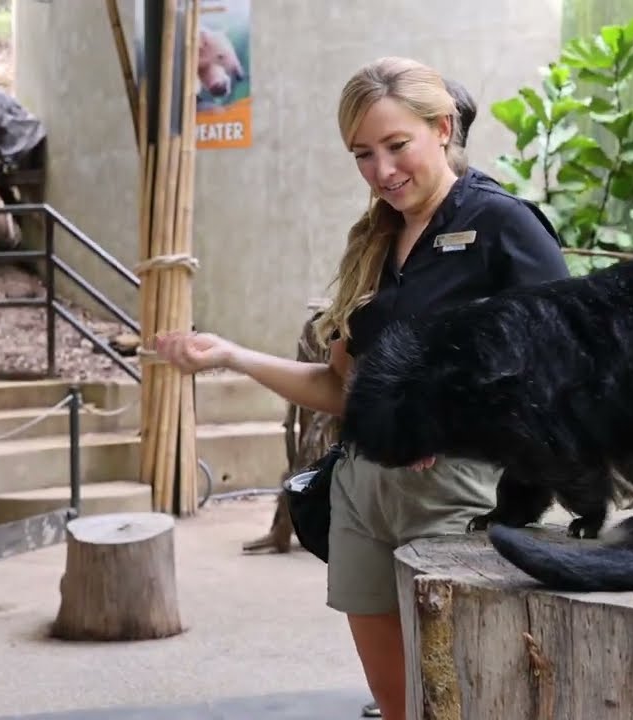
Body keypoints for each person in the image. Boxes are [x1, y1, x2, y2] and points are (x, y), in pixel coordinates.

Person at [156, 57, 570, 719]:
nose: (382, 171)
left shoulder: (502, 225)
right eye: (362, 155)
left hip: (461, 492)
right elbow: (339, 386)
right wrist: (230, 355)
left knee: (467, 694)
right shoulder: (376, 241)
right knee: (398, 702)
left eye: (396, 146)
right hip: (363, 492)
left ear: (441, 128)